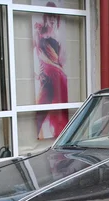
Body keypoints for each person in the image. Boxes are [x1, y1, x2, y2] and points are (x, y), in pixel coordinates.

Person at [34, 2, 68, 140]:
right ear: (45, 16)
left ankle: (61, 136)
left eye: (55, 16)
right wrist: (37, 73)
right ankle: (40, 135)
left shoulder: (58, 36)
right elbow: (36, 54)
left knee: (58, 110)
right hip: (46, 76)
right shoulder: (39, 33)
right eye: (50, 16)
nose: (52, 19)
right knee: (40, 109)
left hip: (57, 75)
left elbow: (61, 60)